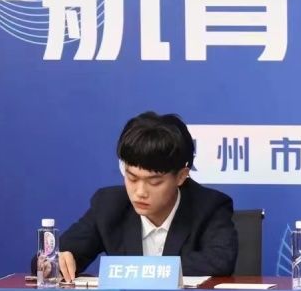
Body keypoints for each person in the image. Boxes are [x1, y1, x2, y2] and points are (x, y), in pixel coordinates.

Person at [35, 112, 238, 281]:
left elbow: (220, 261)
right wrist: (54, 262)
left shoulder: (210, 206)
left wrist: (137, 271)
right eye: (132, 178)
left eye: (154, 182)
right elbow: (52, 256)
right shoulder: (108, 205)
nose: (140, 192)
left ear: (181, 176)